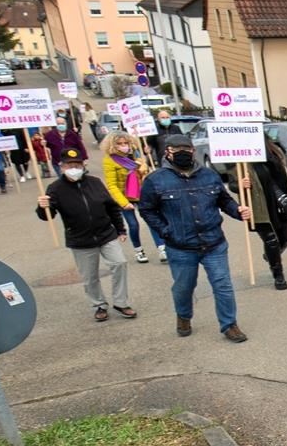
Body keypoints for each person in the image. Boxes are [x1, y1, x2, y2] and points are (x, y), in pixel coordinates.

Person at [138, 134, 252, 343]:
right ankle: (183, 316)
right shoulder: (156, 180)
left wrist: (238, 210)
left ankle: (229, 324)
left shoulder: (209, 176)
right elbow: (146, 210)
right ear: (168, 153)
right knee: (184, 287)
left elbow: (224, 201)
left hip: (213, 243)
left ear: (192, 151)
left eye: (186, 149)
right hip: (180, 247)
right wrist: (165, 230)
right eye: (176, 150)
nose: (182, 153)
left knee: (223, 285)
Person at [36, 148, 136, 322]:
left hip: (106, 234)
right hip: (80, 239)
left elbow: (111, 207)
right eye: (70, 164)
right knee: (90, 276)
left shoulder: (95, 182)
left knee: (120, 263)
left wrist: (120, 229)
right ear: (62, 166)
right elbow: (48, 216)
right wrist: (42, 206)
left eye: (77, 164)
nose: (74, 168)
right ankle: (99, 305)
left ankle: (121, 302)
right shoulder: (55, 189)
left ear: (83, 165)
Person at [236, 135, 287, 290]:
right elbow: (234, 183)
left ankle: (270, 255)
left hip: (281, 202)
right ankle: (278, 275)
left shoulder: (276, 153)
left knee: (286, 236)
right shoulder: (242, 158)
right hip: (259, 206)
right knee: (271, 241)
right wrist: (240, 183)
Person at [101, 130, 165, 263]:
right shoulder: (110, 160)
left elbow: (145, 175)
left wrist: (144, 168)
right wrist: (124, 203)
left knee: (152, 220)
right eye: (120, 144)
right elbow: (112, 186)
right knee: (133, 225)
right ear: (113, 145)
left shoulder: (136, 155)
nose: (124, 145)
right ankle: (139, 250)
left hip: (141, 194)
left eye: (126, 143)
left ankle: (162, 248)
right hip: (125, 197)